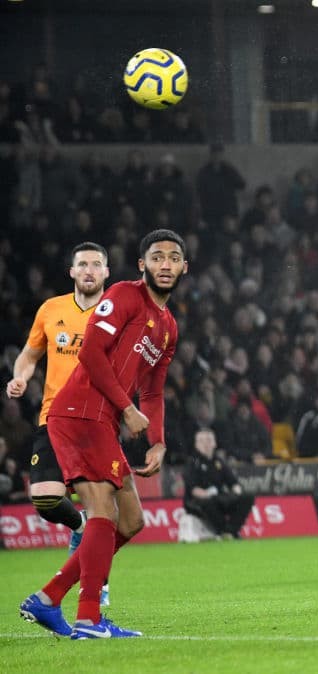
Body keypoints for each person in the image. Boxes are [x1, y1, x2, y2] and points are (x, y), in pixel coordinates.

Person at [18, 228, 187, 640]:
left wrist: (159, 441)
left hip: (103, 421)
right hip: (79, 412)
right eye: (158, 257)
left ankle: (49, 597)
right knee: (103, 514)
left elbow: (153, 390)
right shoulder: (124, 296)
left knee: (130, 521)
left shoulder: (167, 327)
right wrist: (126, 409)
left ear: (184, 267)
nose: (166, 264)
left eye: (174, 257)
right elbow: (91, 351)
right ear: (141, 265)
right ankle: (89, 618)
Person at [6, 242, 113, 605]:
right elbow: (29, 354)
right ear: (71, 271)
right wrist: (20, 376)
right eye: (82, 264)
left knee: (104, 509)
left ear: (106, 273)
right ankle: (79, 527)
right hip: (53, 417)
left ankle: (96, 590)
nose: (88, 270)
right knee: (46, 499)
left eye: (96, 265)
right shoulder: (51, 310)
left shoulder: (117, 314)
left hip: (98, 421)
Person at [182, 428, 255, 540]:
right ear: (196, 444)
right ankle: (223, 531)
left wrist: (236, 493)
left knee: (247, 497)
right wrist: (210, 495)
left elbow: (233, 483)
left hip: (219, 498)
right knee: (208, 503)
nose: (206, 443)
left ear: (214, 443)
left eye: (209, 440)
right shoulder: (192, 463)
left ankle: (230, 531)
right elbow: (194, 490)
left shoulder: (219, 462)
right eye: (202, 441)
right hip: (199, 501)